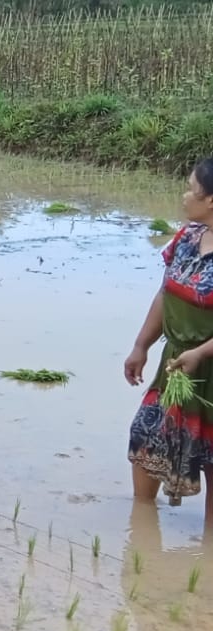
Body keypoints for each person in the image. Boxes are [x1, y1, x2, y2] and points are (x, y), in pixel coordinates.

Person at [126, 158, 213, 512]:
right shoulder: (188, 236)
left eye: (192, 189)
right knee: (145, 437)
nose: (184, 195)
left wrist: (202, 353)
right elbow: (166, 293)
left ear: (211, 201)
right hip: (177, 363)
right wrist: (141, 345)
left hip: (207, 368)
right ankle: (141, 524)